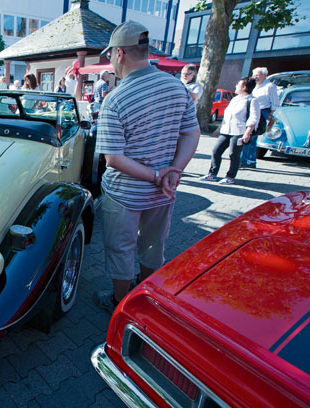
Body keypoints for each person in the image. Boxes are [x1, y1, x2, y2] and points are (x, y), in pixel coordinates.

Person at [93, 21, 200, 313]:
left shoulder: (114, 100)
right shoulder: (177, 88)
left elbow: (113, 159)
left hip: (125, 192)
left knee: (120, 247)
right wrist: (173, 171)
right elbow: (192, 133)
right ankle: (145, 296)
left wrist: (156, 175)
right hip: (163, 190)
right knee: (154, 244)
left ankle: (118, 302)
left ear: (119, 54)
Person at [200, 77, 260, 185]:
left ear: (244, 87)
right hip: (226, 130)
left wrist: (248, 132)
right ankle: (212, 174)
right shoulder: (235, 99)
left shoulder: (252, 100)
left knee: (233, 154)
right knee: (216, 151)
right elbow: (227, 116)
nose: (236, 86)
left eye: (238, 84)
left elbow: (254, 118)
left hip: (239, 132)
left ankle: (230, 176)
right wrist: (219, 128)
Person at [241, 67, 279, 169]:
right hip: (251, 110)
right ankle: (248, 160)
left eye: (257, 75)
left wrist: (270, 114)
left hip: (262, 112)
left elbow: (275, 103)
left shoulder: (270, 86)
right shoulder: (254, 86)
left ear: (265, 75)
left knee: (251, 136)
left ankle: (247, 161)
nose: (255, 77)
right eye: (254, 75)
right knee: (249, 136)